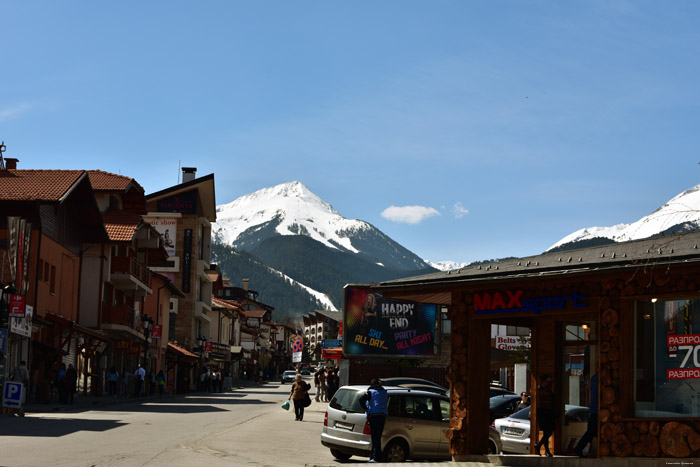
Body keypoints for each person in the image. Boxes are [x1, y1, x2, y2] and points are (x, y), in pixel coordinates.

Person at [359, 379, 389, 463]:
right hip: (382, 416)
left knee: (375, 437)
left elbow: (361, 400)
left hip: (374, 416)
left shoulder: (370, 392)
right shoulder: (384, 392)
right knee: (377, 437)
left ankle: (377, 458)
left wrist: (366, 409)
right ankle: (373, 455)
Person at [575, 372, 599, 458]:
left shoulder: (594, 377)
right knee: (591, 432)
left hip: (594, 409)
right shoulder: (598, 378)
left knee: (591, 432)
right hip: (596, 410)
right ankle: (579, 448)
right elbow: (596, 394)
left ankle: (580, 448)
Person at [534, 374, 555, 457]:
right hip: (544, 412)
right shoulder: (541, 391)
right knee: (547, 431)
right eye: (548, 381)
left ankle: (541, 447)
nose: (549, 383)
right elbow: (544, 401)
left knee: (548, 431)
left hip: (549, 412)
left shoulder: (548, 390)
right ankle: (545, 449)